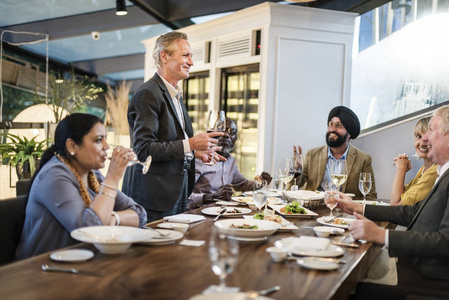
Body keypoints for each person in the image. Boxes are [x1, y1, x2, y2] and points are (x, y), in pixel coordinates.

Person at [336, 105, 449, 293]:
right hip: (413, 269)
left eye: (431, 131)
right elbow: (412, 212)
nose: (425, 139)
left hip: (425, 283)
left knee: (348, 288)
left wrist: (380, 235)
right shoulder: (442, 173)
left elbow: (445, 243)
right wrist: (359, 208)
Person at [16, 113, 146, 259]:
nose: (107, 146)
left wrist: (114, 217)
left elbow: (139, 214)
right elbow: (89, 231)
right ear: (72, 146)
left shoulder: (93, 174)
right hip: (41, 269)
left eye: (105, 139)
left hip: (85, 261)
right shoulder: (54, 176)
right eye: (98, 140)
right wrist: (113, 178)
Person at [122, 31, 222, 222]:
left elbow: (170, 141)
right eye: (186, 55)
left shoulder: (175, 95)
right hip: (154, 196)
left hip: (178, 190)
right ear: (164, 56)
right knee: (154, 251)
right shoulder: (148, 94)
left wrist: (195, 153)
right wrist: (191, 144)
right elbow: (144, 150)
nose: (191, 62)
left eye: (191, 56)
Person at [294, 106, 377, 199]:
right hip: (316, 209)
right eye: (330, 124)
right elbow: (295, 188)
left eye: (338, 125)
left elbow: (370, 196)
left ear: (349, 133)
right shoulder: (312, 154)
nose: (332, 129)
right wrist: (297, 171)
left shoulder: (363, 159)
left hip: (346, 212)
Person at [188, 118, 271, 210]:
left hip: (223, 212)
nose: (226, 135)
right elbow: (182, 197)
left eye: (231, 132)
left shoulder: (230, 160)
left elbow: (243, 185)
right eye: (222, 131)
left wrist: (261, 183)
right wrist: (211, 197)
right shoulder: (199, 159)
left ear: (236, 138)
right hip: (199, 214)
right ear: (211, 135)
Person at [390, 117, 438, 206]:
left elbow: (395, 205)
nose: (422, 143)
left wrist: (401, 169)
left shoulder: (435, 171)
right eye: (419, 136)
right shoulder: (424, 169)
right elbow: (402, 196)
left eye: (428, 137)